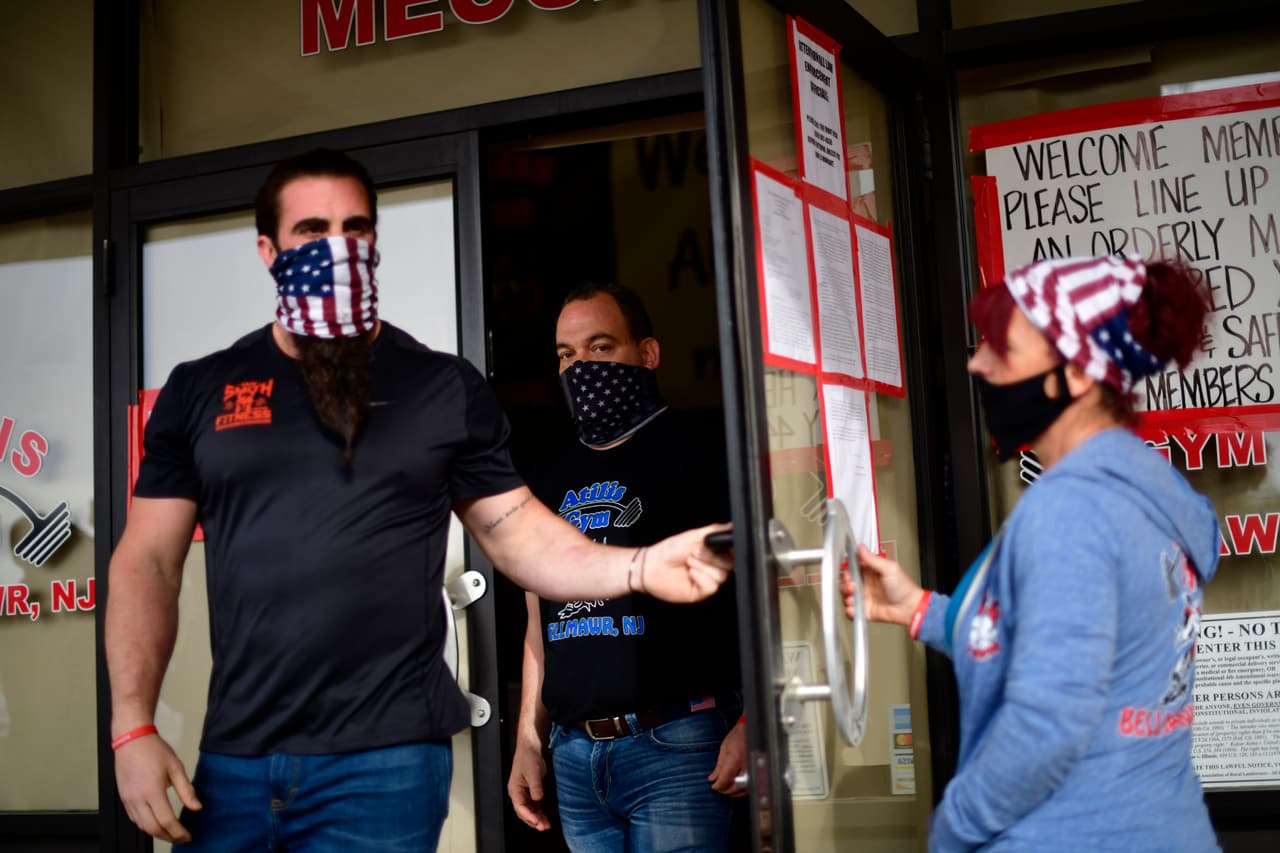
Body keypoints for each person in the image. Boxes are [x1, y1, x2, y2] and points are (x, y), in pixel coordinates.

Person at [104, 148, 733, 852]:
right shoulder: (202, 390)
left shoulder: (442, 388)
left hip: (387, 762)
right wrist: (132, 725)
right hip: (236, 759)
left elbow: (519, 537)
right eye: (312, 230)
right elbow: (148, 562)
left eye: (355, 228)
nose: (336, 248)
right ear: (268, 249)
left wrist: (640, 566)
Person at [846, 255, 1221, 851]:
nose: (976, 362)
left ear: (1072, 374)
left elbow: (1046, 726)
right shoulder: (1151, 490)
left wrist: (953, 826)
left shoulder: (1071, 510)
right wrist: (920, 609)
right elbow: (1084, 638)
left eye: (1002, 347)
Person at [506, 283, 746, 852]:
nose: (581, 367)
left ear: (648, 354)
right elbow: (540, 620)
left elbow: (764, 593)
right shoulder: (546, 476)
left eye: (600, 347)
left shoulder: (702, 451)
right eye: (567, 355)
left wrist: (752, 722)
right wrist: (528, 739)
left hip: (678, 743)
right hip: (574, 756)